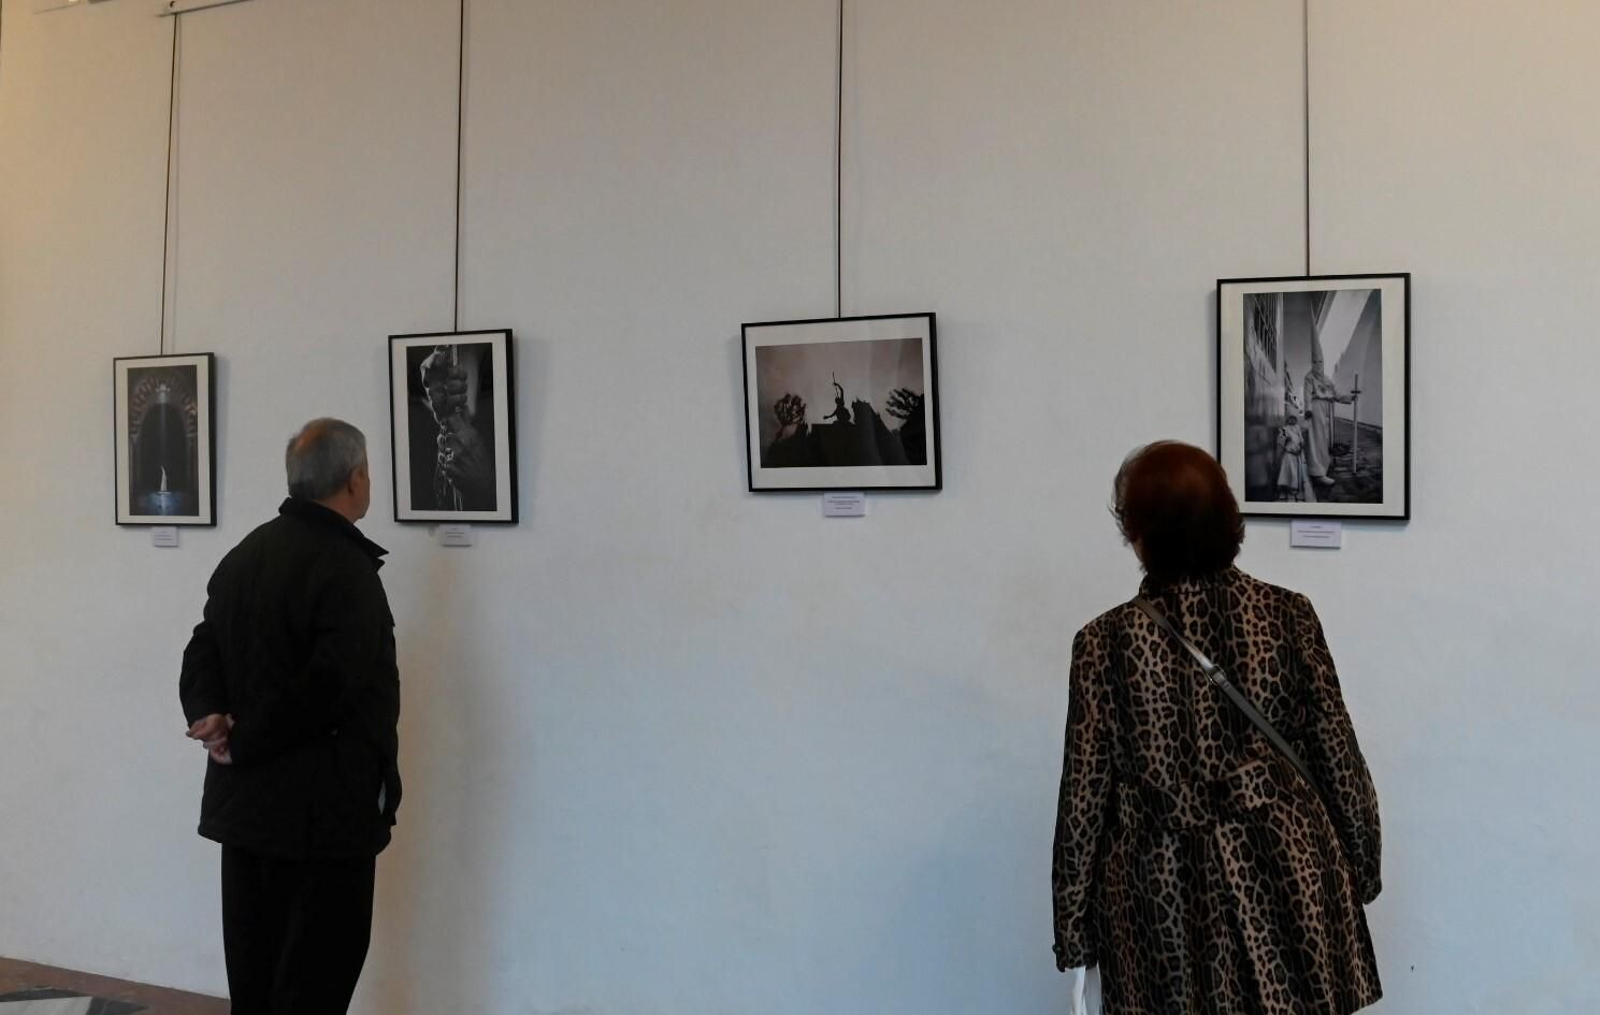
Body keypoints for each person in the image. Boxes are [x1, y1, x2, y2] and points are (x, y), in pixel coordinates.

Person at [1052, 441, 1382, 1015]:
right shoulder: (1287, 615)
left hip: (1160, 898)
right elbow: (1337, 753)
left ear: (1137, 533)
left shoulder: (1104, 643)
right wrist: (1361, 863)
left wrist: (1073, 931)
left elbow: (1084, 798)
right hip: (1286, 874)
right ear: (1229, 517)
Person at [179, 418, 401, 1015]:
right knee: (314, 983)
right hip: (321, 819)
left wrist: (209, 716)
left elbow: (202, 649)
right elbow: (329, 688)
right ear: (355, 479)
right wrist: (240, 739)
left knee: (255, 977)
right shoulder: (347, 569)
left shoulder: (247, 554)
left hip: (246, 811)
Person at [1303, 341, 1353, 487]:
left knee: (1326, 439)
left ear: (1323, 362)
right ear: (1312, 362)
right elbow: (1307, 396)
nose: (1318, 364)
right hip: (1316, 409)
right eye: (1315, 362)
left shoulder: (1327, 379)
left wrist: (1349, 398)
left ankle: (1324, 466)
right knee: (1317, 440)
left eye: (1320, 361)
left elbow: (1336, 394)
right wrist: (1308, 411)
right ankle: (1317, 473)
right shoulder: (1309, 378)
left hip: (1328, 409)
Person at [1276, 411, 1311, 502]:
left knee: (1295, 473)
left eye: (1294, 418)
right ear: (1287, 420)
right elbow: (1280, 441)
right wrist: (1285, 440)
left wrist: (1300, 449)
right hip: (1288, 454)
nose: (1292, 420)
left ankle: (1293, 489)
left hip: (1297, 455)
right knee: (1286, 472)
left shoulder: (1298, 428)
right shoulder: (1284, 429)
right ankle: (1284, 490)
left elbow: (1302, 440)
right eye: (1290, 418)